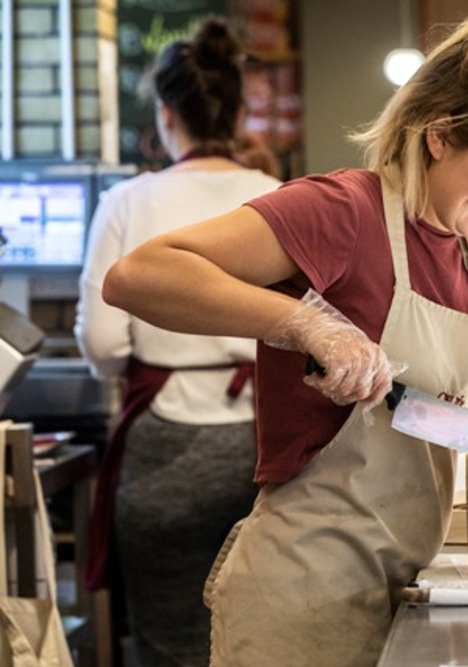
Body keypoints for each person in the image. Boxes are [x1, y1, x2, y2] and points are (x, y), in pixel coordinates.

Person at [101, 3, 468, 665]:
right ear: (441, 134)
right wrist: (307, 322)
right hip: (303, 591)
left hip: (400, 583)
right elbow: (139, 274)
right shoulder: (342, 211)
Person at [74, 17, 282, 666]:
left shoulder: (128, 202)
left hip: (161, 445)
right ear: (239, 113)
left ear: (166, 116)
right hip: (264, 446)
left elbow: (102, 343)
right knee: (263, 637)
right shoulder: (280, 198)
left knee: (171, 643)